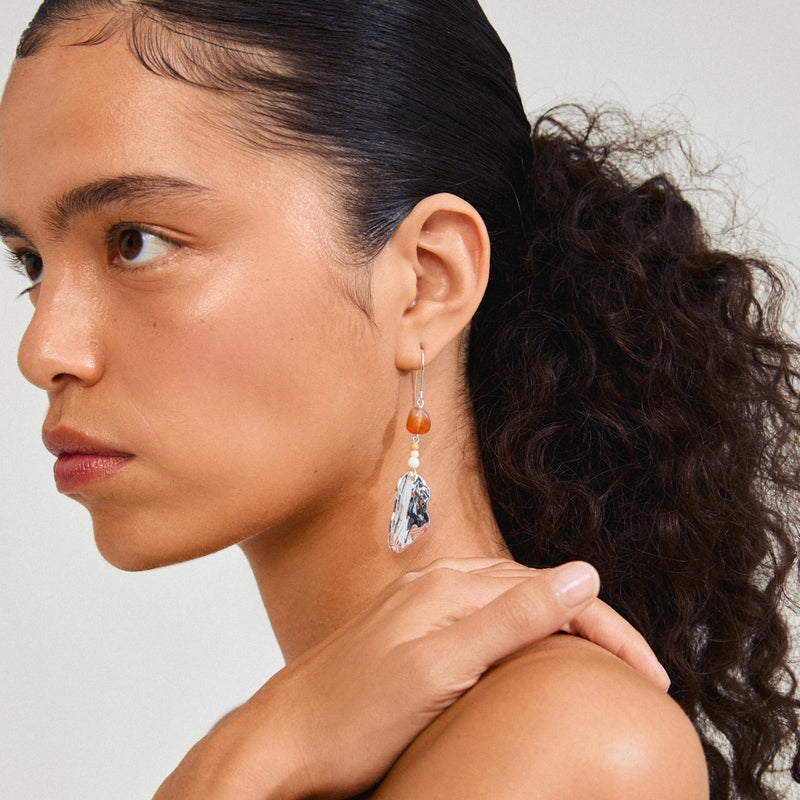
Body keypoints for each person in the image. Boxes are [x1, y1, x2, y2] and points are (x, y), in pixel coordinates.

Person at [1, 1, 798, 798]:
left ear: (424, 284)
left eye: (135, 242)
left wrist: (245, 762)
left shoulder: (563, 740)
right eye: (31, 261)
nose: (42, 351)